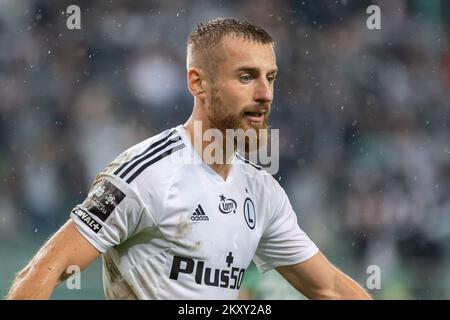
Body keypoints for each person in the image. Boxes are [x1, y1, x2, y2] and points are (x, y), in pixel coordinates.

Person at [6, 18, 371, 300]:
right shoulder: (144, 175)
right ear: (197, 83)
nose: (264, 94)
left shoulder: (262, 192)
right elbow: (43, 273)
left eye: (270, 78)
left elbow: (332, 289)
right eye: (247, 77)